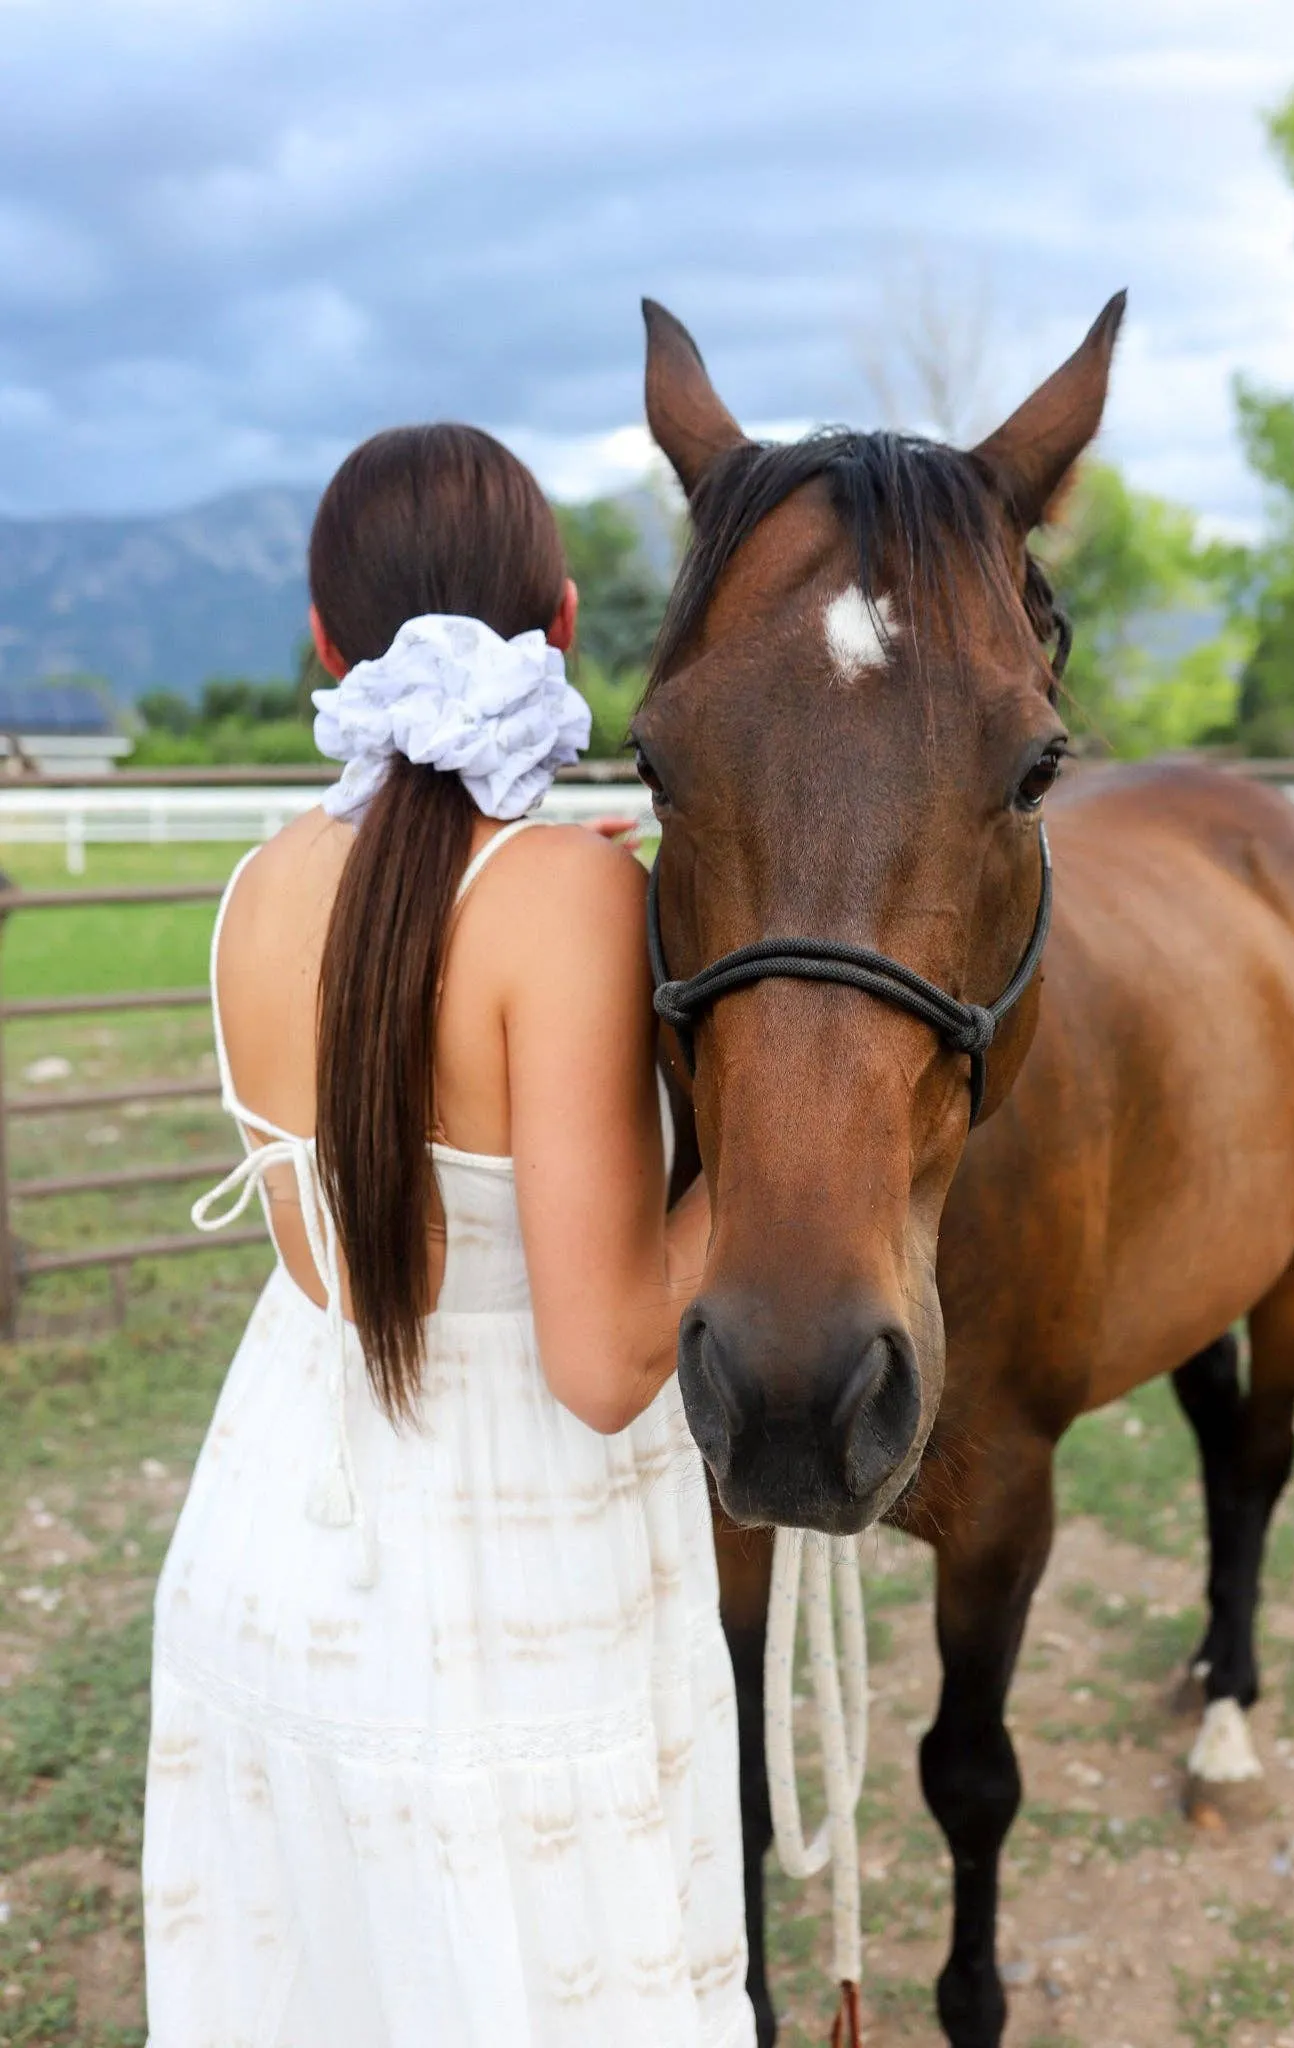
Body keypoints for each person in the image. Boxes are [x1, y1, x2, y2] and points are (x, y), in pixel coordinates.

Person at [141, 423, 755, 2048]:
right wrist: (778, 1151)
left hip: (277, 1537)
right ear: (559, 621)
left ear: (324, 644)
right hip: (502, 1584)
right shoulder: (563, 899)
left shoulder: (261, 882)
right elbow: (613, 1362)